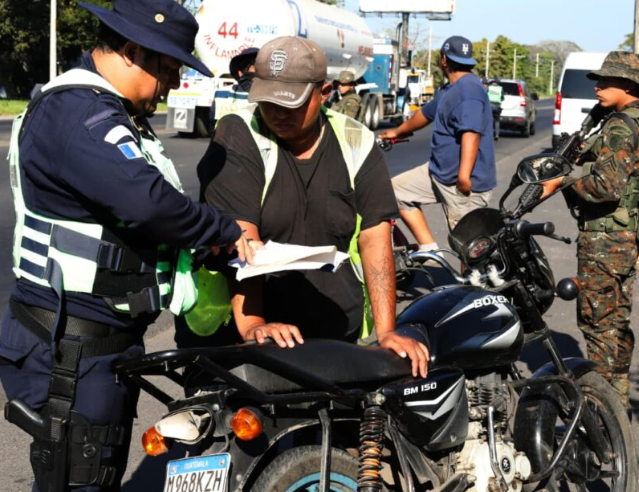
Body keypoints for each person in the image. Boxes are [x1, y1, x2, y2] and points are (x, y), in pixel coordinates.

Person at [0, 0, 252, 491]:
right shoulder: (77, 115)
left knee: (97, 475)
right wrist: (224, 230)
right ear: (134, 52)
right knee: (81, 480)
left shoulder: (109, 113)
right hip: (70, 349)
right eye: (170, 69)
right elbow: (146, 202)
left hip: (94, 347)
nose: (174, 84)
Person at [198, 36, 429, 378]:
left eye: (290, 103)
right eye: (269, 100)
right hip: (259, 336)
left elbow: (374, 237)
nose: (277, 112)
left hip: (337, 331)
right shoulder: (239, 133)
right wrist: (255, 326)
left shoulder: (356, 141)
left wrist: (387, 332)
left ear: (323, 94)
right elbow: (242, 238)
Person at [541, 51, 639, 411]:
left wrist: (563, 181)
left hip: (606, 238)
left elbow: (606, 187)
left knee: (597, 322)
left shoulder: (619, 126)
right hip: (625, 235)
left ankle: (601, 408)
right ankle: (618, 395)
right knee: (616, 319)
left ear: (627, 85)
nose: (597, 86)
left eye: (606, 81)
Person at [379, 36, 496, 249]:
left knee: (467, 247)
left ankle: (474, 282)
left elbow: (471, 134)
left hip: (461, 183)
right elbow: (424, 115)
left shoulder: (468, 90)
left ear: (444, 59)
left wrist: (463, 176)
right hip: (438, 174)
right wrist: (396, 132)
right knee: (394, 191)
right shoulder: (449, 90)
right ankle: (430, 250)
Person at [209, 47, 259, 127]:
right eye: (255, 69)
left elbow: (212, 127)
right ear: (240, 73)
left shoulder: (221, 94)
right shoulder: (268, 97)